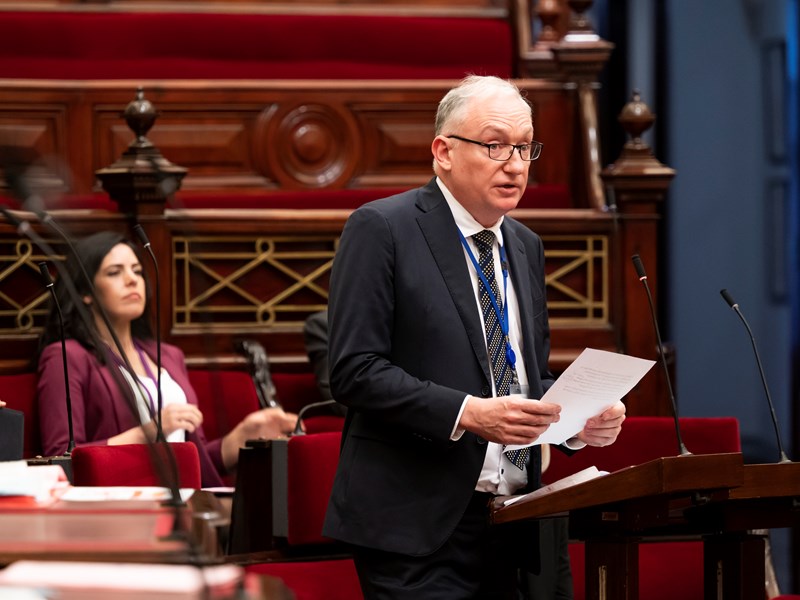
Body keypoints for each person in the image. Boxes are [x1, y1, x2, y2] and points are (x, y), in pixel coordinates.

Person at [322, 75, 626, 599]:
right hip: (416, 527)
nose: (514, 163)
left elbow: (526, 374)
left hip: (513, 521)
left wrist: (578, 421)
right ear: (443, 151)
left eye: (525, 147)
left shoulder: (525, 246)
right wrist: (468, 412)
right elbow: (355, 370)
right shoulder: (382, 228)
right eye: (494, 145)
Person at [36, 231, 298, 487]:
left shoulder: (169, 355)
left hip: (187, 497)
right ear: (86, 292)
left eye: (137, 271)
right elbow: (61, 458)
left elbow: (194, 457)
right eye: (115, 272)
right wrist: (148, 432)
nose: (132, 280)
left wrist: (242, 437)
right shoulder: (66, 356)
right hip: (121, 500)